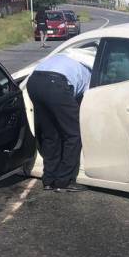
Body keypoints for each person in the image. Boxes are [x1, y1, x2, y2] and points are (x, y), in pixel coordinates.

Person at [26, 51, 91, 192]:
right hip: (56, 84)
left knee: (50, 135)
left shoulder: (68, 56)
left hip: (34, 82)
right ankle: (64, 181)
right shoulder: (89, 73)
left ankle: (48, 180)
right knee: (73, 134)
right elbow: (87, 101)